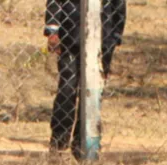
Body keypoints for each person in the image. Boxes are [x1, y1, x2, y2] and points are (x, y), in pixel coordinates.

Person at [45, 0, 126, 156]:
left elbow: (119, 8)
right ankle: (58, 144)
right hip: (70, 38)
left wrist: (114, 38)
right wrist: (53, 31)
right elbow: (54, 2)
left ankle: (84, 147)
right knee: (67, 89)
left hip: (102, 40)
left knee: (92, 93)